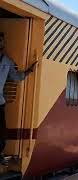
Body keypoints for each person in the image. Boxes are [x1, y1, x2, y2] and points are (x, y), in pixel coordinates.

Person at [0, 32, 37, 165]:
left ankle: (0, 155)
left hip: (0, 103)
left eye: (1, 41)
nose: (0, 43)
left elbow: (16, 77)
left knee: (1, 132)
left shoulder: (7, 61)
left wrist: (29, 71)